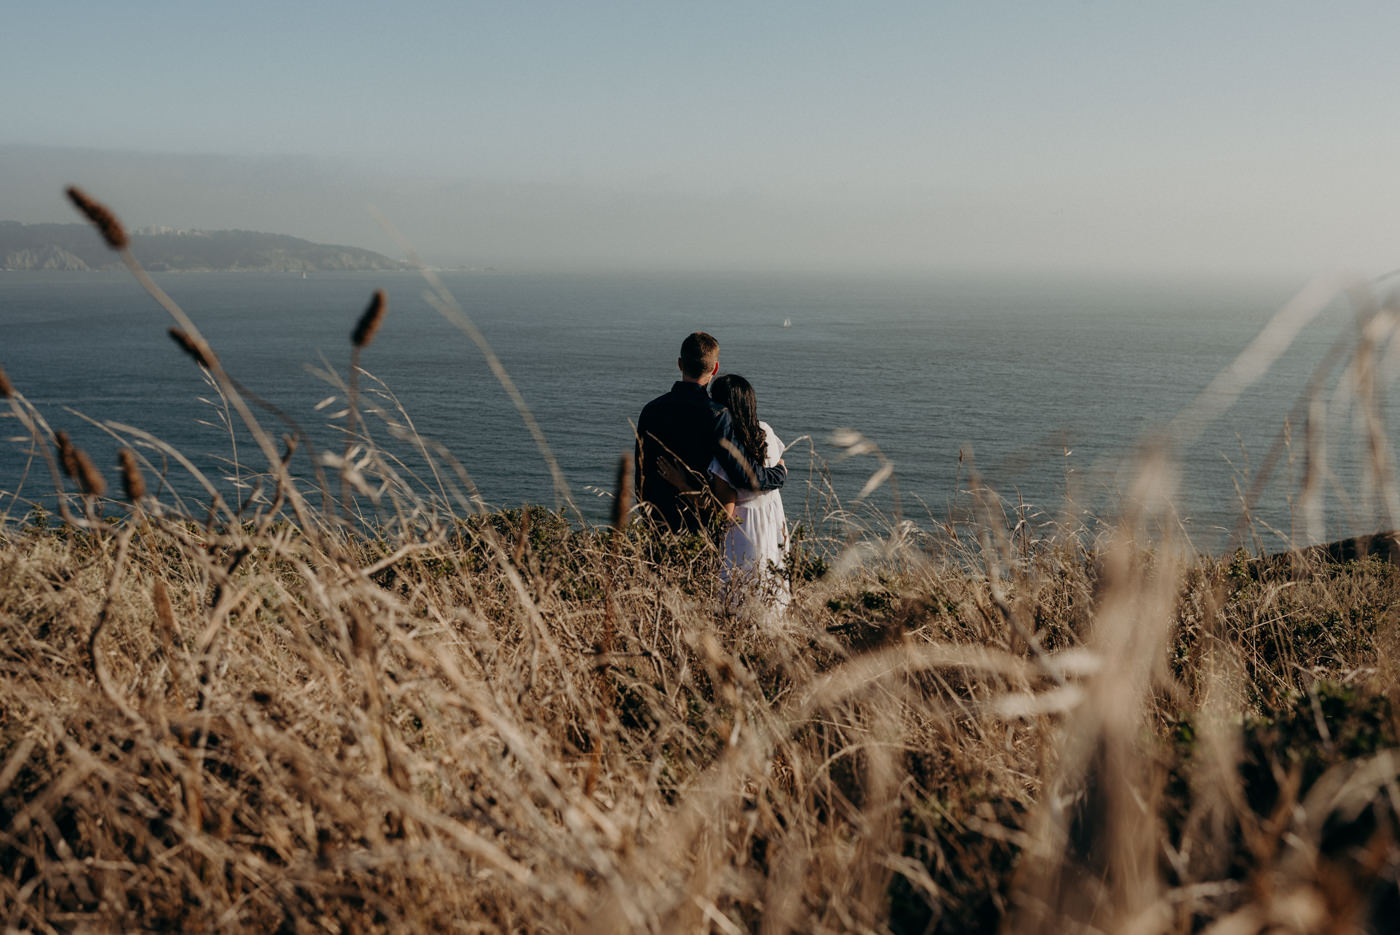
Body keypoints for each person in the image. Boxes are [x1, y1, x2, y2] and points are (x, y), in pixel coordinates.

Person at [634, 332, 786, 532]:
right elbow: (744, 475)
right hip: (699, 529)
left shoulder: (650, 410)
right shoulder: (717, 415)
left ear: (680, 364)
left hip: (657, 522)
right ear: (715, 367)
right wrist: (778, 474)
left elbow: (640, 473)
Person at [704, 375, 791, 616]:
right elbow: (779, 462)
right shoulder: (766, 431)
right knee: (771, 596)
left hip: (743, 536)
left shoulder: (726, 452)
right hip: (773, 528)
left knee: (739, 606)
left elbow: (725, 514)